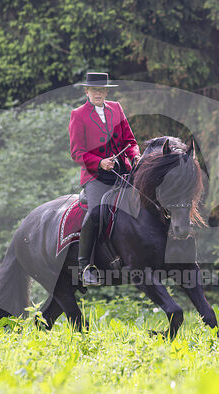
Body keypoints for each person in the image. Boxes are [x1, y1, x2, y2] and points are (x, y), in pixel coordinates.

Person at [69, 72, 141, 286]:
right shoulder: (78, 114)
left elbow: (130, 140)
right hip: (96, 176)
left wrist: (135, 155)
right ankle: (85, 267)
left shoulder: (116, 108)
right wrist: (100, 162)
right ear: (87, 91)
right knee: (96, 211)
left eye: (102, 90)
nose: (98, 93)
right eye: (94, 90)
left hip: (123, 171)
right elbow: (76, 153)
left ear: (106, 91)